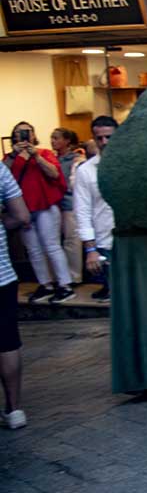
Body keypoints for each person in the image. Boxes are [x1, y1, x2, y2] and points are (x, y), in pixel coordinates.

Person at [3, 123, 73, 304]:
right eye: (19, 133)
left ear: (33, 135)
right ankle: (45, 284)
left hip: (45, 205)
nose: (23, 135)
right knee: (33, 250)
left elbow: (54, 174)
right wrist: (13, 156)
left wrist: (36, 156)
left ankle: (65, 285)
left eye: (27, 132)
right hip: (23, 209)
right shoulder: (9, 158)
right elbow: (3, 176)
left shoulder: (45, 153)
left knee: (52, 246)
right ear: (14, 137)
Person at [0, 162, 31, 429]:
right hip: (2, 275)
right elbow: (22, 216)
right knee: (7, 341)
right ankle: (14, 410)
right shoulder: (0, 170)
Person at [74, 116, 117, 303]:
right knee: (114, 295)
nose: (104, 142)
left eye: (109, 137)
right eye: (99, 138)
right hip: (105, 240)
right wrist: (90, 249)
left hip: (133, 238)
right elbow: (82, 211)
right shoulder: (85, 170)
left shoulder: (133, 165)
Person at [50, 128, 86, 285]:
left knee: (72, 241)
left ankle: (74, 276)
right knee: (55, 242)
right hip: (55, 204)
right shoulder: (52, 159)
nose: (53, 141)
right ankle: (59, 276)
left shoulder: (76, 159)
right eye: (52, 138)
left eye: (56, 138)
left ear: (67, 141)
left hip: (70, 203)